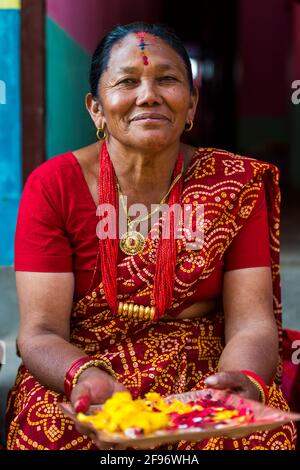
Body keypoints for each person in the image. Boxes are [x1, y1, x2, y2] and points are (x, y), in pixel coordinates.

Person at [6, 22, 296, 450]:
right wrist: (85, 379)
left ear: (192, 103)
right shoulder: (54, 186)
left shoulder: (235, 184)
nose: (148, 95)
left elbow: (252, 321)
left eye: (167, 79)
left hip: (205, 366)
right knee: (50, 433)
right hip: (86, 366)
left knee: (251, 435)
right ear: (96, 109)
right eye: (126, 81)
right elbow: (41, 332)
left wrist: (239, 384)